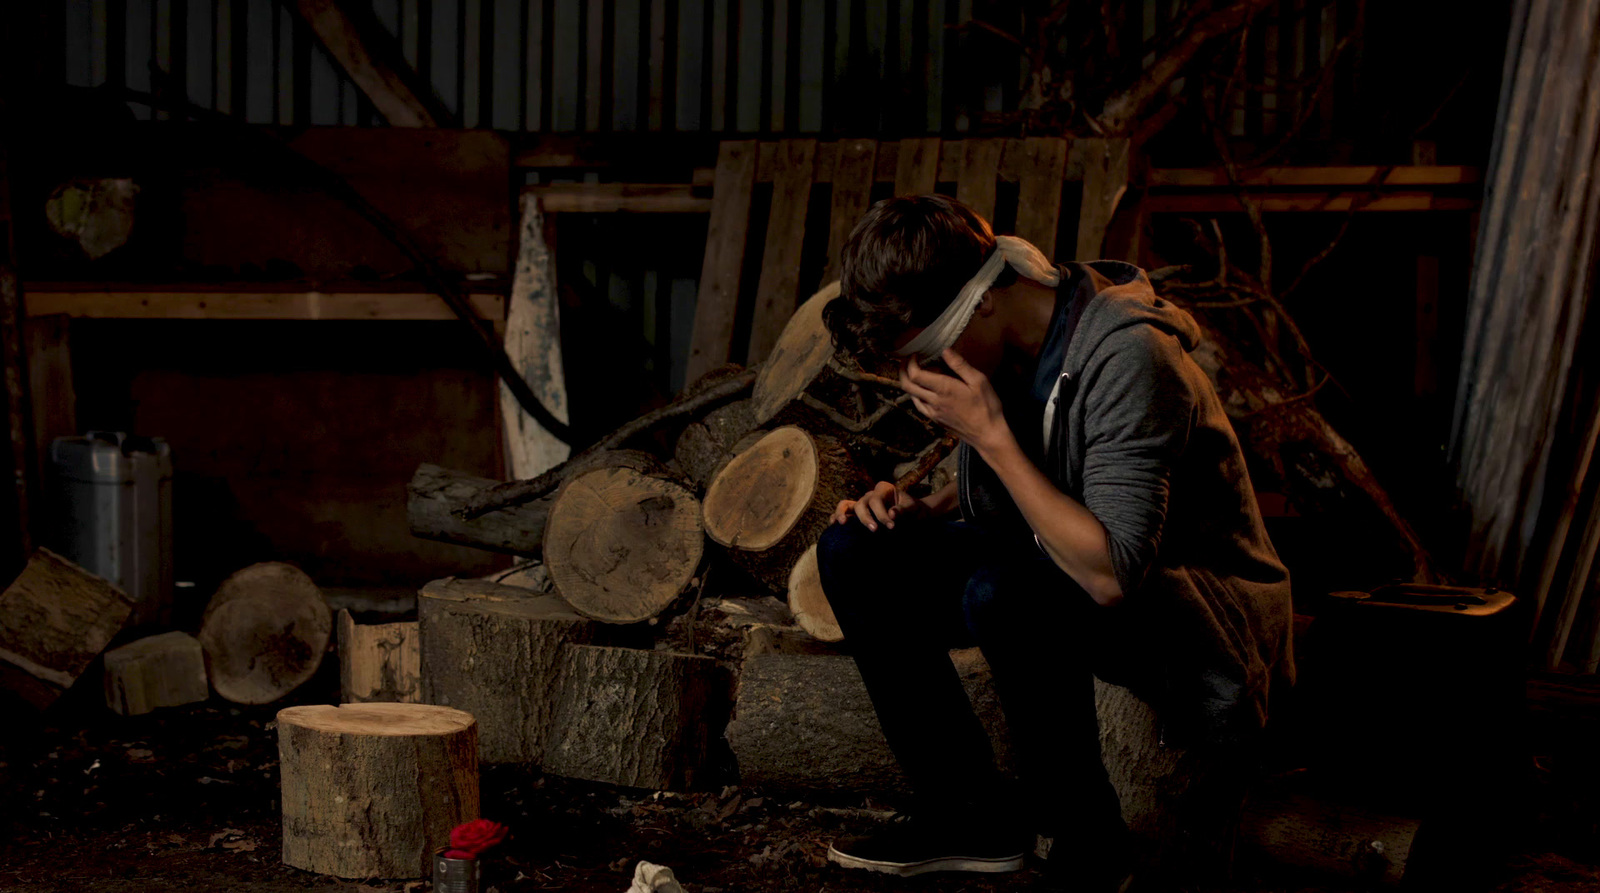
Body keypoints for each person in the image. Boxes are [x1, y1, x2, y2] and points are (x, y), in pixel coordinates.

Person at [815, 195, 1294, 890]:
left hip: (1200, 617)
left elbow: (1110, 573)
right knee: (855, 553)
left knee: (1004, 589)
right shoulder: (1016, 342)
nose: (920, 379)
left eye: (921, 356)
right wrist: (921, 508)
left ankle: (1090, 844)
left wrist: (990, 437)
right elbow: (1051, 459)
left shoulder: (1132, 355)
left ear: (978, 304)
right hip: (1069, 562)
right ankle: (968, 814)